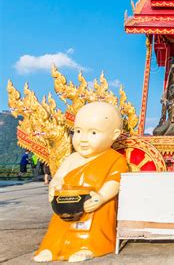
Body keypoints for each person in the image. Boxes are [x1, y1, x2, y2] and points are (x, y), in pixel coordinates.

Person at [33, 102, 128, 262]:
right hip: (66, 203)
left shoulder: (114, 159)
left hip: (95, 205)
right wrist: (54, 185)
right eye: (77, 131)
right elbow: (58, 177)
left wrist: (102, 197)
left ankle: (89, 248)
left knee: (91, 227)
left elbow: (115, 181)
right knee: (58, 227)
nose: (82, 139)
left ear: (114, 134)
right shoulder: (72, 158)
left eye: (93, 133)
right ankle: (52, 248)